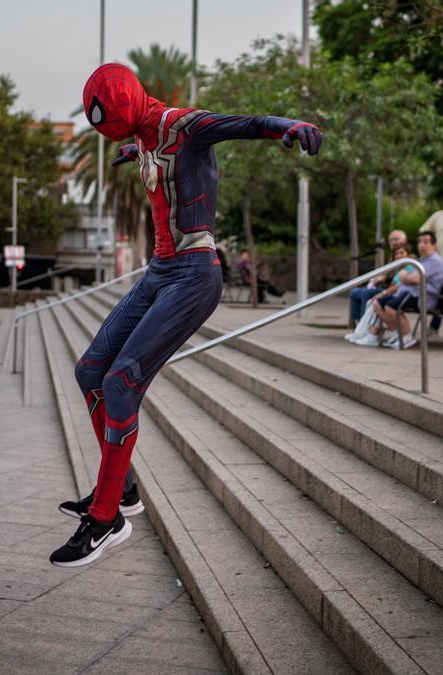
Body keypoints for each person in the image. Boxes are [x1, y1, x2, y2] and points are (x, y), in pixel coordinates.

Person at [51, 62, 322, 567]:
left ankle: (108, 518)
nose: (123, 138)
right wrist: (134, 149)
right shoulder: (144, 133)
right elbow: (149, 143)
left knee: (120, 384)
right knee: (90, 371)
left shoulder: (186, 126)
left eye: (121, 129)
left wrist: (286, 126)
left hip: (195, 276)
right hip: (159, 272)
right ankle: (123, 491)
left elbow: (243, 123)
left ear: (129, 108)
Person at [356, 232, 443, 350]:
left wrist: (404, 275)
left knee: (391, 307)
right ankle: (397, 334)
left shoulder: (434, 261)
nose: (421, 245)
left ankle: (407, 336)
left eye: (426, 242)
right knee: (377, 303)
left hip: (423, 297)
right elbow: (408, 278)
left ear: (434, 245)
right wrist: (405, 276)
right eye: (420, 242)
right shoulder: (423, 260)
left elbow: (414, 279)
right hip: (410, 293)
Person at [347, 243, 412, 344]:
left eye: (401, 253)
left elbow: (399, 286)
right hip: (389, 291)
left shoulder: (409, 268)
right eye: (396, 254)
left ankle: (369, 333)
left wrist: (384, 293)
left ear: (408, 255)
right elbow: (389, 281)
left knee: (374, 301)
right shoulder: (396, 267)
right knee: (359, 294)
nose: (399, 255)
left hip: (398, 294)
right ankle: (363, 330)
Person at [349, 229, 407, 326]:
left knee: (366, 293)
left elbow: (398, 279)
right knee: (354, 292)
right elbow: (387, 274)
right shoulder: (392, 257)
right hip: (385, 287)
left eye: (396, 239)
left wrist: (383, 279)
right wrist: (379, 278)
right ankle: (358, 325)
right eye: (391, 240)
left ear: (405, 240)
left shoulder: (408, 258)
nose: (393, 242)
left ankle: (365, 326)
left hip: (393, 290)